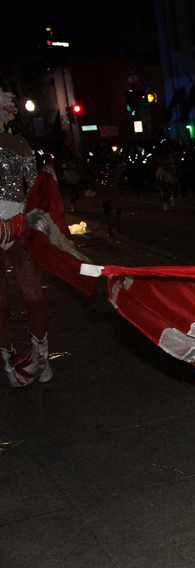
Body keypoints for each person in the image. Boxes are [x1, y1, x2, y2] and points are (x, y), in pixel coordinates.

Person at [0, 91, 52, 387]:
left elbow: (33, 187)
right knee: (22, 299)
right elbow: (34, 188)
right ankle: (29, 362)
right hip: (17, 222)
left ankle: (26, 363)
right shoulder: (18, 143)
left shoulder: (19, 143)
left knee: (24, 299)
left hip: (18, 224)